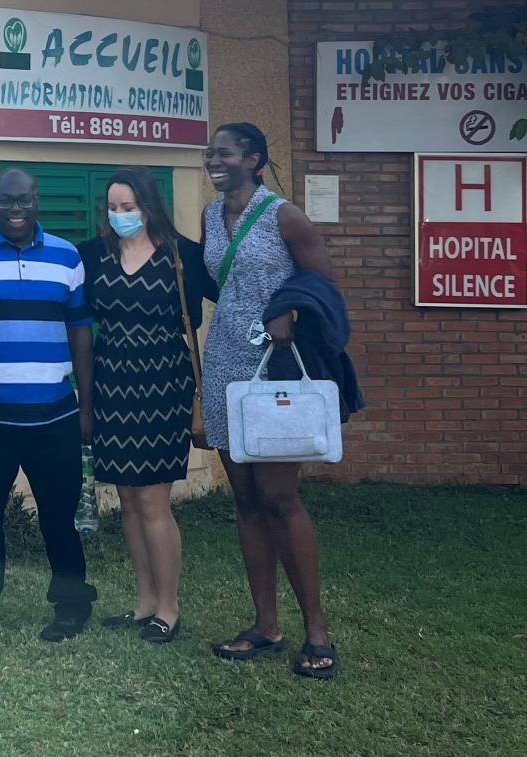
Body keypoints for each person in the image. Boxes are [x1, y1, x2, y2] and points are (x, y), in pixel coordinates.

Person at [201, 122, 340, 678]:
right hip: (224, 367)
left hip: (273, 370)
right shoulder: (212, 217)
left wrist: (291, 307)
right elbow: (218, 284)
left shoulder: (285, 215)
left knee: (281, 498)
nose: (214, 160)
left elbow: (325, 288)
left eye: (225, 153)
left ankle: (317, 631)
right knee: (246, 501)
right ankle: (265, 624)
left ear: (254, 159)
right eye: (210, 153)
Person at [0, 167, 98, 644]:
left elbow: (81, 335)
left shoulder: (67, 257)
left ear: (37, 200)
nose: (15, 209)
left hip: (56, 416)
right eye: (6, 200)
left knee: (60, 516)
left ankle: (71, 606)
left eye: (24, 200)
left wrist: (85, 407)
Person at [76, 167, 214, 644]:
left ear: (149, 207)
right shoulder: (92, 255)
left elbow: (241, 292)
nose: (120, 216)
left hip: (162, 386)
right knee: (129, 503)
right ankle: (143, 602)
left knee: (154, 502)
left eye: (129, 207)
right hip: (112, 383)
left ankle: (169, 608)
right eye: (113, 208)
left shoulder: (184, 256)